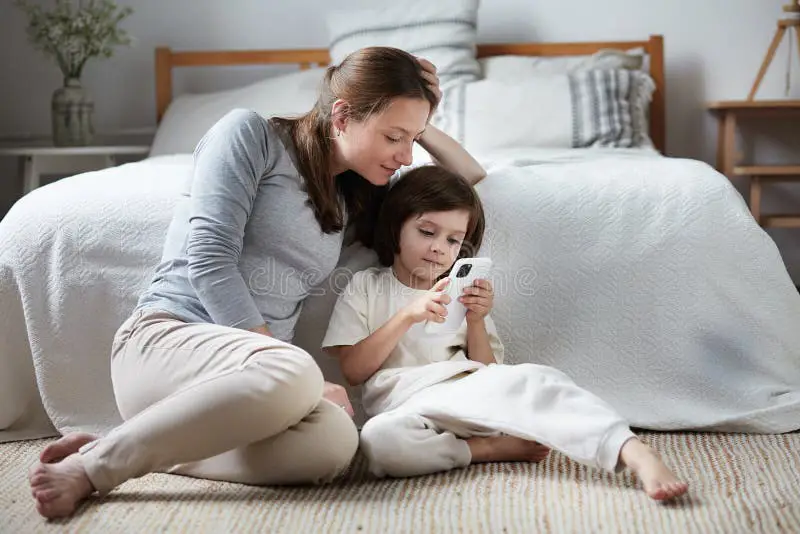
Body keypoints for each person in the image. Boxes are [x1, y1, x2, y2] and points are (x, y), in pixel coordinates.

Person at [28, 46, 487, 519]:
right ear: (343, 115)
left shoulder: (352, 196)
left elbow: (467, 182)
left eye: (411, 139)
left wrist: (416, 114)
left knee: (332, 444)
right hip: (170, 343)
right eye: (394, 136)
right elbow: (208, 260)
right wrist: (286, 364)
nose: (406, 155)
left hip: (251, 391)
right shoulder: (250, 135)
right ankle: (96, 468)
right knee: (298, 372)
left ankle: (130, 443)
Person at [322, 166, 689, 501]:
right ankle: (488, 450)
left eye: (453, 241)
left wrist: (477, 320)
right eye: (426, 232)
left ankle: (632, 451)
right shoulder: (365, 287)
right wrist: (407, 315)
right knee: (377, 442)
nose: (438, 248)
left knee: (536, 380)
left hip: (466, 390)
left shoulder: (457, 290)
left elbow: (488, 368)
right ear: (395, 227)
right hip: (407, 408)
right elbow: (354, 371)